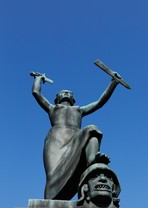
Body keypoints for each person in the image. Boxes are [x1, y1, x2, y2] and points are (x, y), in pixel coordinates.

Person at [31, 72, 120, 200]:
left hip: (76, 137)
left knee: (91, 129)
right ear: (57, 98)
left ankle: (92, 161)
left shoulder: (79, 110)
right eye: (63, 92)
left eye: (69, 93)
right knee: (53, 174)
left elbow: (99, 102)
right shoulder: (52, 108)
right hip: (56, 140)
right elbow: (36, 93)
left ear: (73, 99)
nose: (66, 94)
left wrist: (113, 83)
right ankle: (52, 196)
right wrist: (38, 79)